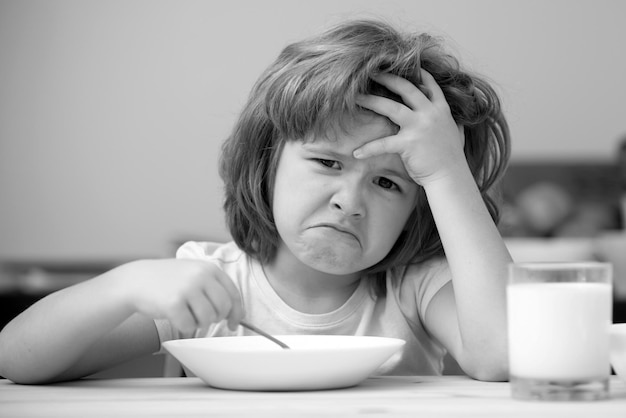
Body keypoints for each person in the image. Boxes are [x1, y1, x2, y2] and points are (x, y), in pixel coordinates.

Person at [0, 18, 511, 384]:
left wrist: (445, 171)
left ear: (418, 209)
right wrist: (124, 286)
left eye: (388, 183)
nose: (348, 202)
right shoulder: (208, 285)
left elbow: (502, 356)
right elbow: (15, 359)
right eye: (328, 163)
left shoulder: (416, 289)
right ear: (266, 165)